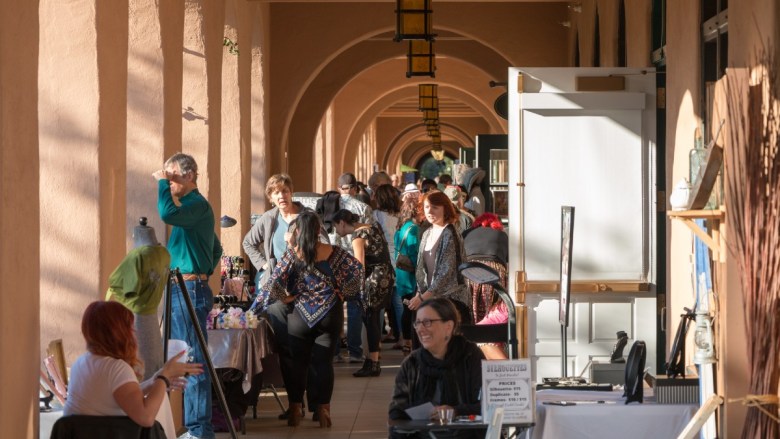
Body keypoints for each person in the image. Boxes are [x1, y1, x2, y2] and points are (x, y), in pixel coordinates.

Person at [252, 211, 364, 427]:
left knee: (297, 365)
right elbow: (357, 272)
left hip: (299, 317)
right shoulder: (335, 252)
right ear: (318, 230)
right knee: (323, 364)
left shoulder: (293, 255)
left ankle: (295, 409)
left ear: (298, 231)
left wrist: (285, 298)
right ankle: (323, 412)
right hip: (330, 314)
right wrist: (343, 293)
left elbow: (272, 284)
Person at [242, 173, 327, 421]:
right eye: (276, 192)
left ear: (292, 192)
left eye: (285, 191)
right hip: (278, 291)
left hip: (306, 290)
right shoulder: (269, 219)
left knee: (309, 348)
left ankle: (318, 405)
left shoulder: (308, 217)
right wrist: (265, 267)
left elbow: (324, 246)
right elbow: (249, 243)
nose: (281, 196)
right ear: (270, 197)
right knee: (287, 349)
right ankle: (295, 404)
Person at [153, 152, 222, 439]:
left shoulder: (195, 205)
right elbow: (216, 248)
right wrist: (203, 267)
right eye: (166, 178)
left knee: (192, 360)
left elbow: (167, 213)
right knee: (183, 357)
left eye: (172, 177)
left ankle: (199, 430)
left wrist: (159, 184)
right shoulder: (193, 214)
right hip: (184, 286)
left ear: (189, 176)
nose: (169, 183)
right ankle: (194, 427)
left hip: (189, 288)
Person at [64, 301, 203, 439]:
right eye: (129, 326)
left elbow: (123, 395)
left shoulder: (82, 362)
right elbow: (146, 418)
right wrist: (164, 376)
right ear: (118, 332)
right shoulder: (116, 368)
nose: (134, 331)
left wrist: (153, 381)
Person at [388, 298, 485, 439]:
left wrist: (456, 411)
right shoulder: (412, 363)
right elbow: (396, 414)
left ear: (449, 327)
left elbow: (487, 405)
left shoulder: (470, 356)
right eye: (418, 323)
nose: (420, 329)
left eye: (427, 322)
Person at [331, 209, 395, 377]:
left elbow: (359, 266)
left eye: (336, 226)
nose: (336, 231)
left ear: (342, 223)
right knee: (375, 319)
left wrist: (350, 289)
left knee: (370, 319)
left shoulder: (358, 236)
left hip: (373, 281)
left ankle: (373, 363)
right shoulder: (373, 227)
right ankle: (373, 359)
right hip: (386, 276)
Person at [105, 218, 170, 380]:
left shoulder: (138, 256)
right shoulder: (164, 254)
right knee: (153, 367)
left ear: (135, 235)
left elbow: (120, 284)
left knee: (138, 370)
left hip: (135, 320)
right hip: (152, 321)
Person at [407, 191, 471, 325]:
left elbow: (446, 271)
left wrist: (423, 297)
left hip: (451, 303)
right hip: (432, 300)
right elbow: (421, 270)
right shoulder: (427, 233)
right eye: (426, 207)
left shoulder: (450, 233)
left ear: (445, 209)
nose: (430, 211)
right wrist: (420, 294)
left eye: (435, 207)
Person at [332, 172, 374, 363]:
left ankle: (333, 351)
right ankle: (355, 351)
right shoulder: (364, 208)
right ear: (356, 188)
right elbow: (367, 236)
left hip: (332, 261)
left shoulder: (329, 205)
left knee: (333, 307)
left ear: (338, 187)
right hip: (354, 261)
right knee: (355, 306)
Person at [462, 213, 509, 324]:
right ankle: (488, 329)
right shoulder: (502, 234)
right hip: (494, 268)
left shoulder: (466, 233)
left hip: (471, 269)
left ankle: (473, 328)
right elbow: (507, 258)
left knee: (471, 302)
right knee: (492, 305)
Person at [372, 183, 403, 346]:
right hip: (399, 260)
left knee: (380, 303)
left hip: (383, 260)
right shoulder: (400, 215)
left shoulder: (376, 215)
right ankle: (404, 338)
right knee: (398, 302)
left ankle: (374, 342)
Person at [394, 196, 422, 356]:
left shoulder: (401, 226)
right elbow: (414, 252)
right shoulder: (413, 229)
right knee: (412, 309)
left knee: (406, 307)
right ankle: (410, 342)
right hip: (411, 275)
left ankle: (406, 343)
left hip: (401, 274)